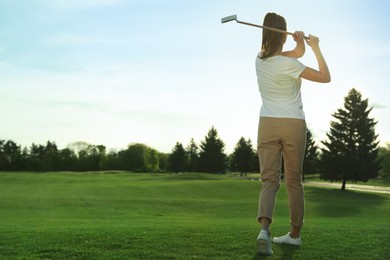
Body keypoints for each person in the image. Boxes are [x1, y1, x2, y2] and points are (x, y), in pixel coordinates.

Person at [255, 12, 330, 255]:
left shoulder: (259, 59)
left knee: (269, 181)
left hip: (267, 123)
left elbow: (295, 53)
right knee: (293, 181)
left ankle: (264, 232)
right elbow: (325, 77)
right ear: (282, 35)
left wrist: (299, 44)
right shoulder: (291, 65)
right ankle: (294, 236)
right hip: (293, 123)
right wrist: (315, 47)